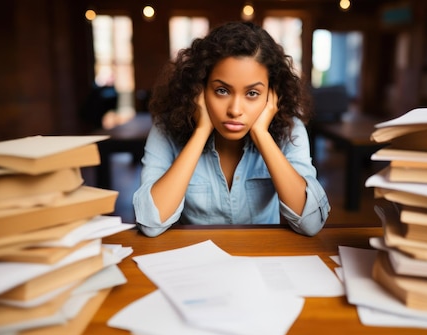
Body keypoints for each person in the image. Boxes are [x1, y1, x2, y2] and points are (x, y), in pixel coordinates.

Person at [132, 21, 330, 237]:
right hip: (196, 258)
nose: (235, 110)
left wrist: (262, 135)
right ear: (199, 88)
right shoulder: (166, 128)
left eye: (252, 93)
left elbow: (311, 223)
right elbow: (151, 224)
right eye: (222, 90)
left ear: (271, 95)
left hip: (262, 257)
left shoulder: (290, 129)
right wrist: (200, 132)